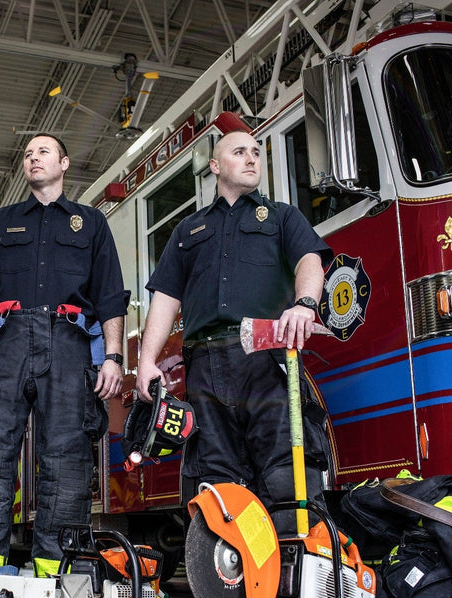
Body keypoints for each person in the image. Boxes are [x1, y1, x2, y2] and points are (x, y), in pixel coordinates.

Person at [0, 133, 129, 577]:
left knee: (67, 456)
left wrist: (113, 357)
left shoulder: (91, 223)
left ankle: (57, 572)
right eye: (27, 154)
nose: (33, 158)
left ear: (64, 163)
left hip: (69, 342)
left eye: (43, 151)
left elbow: (110, 296)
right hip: (7, 339)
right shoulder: (0, 222)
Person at [135, 130, 333, 531]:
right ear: (214, 166)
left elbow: (309, 261)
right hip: (205, 366)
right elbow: (166, 298)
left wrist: (305, 304)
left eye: (256, 152)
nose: (251, 158)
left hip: (267, 359)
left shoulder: (282, 217)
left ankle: (296, 562)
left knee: (285, 469)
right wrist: (146, 361)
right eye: (239, 152)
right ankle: (232, 568)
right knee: (216, 479)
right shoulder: (187, 231)